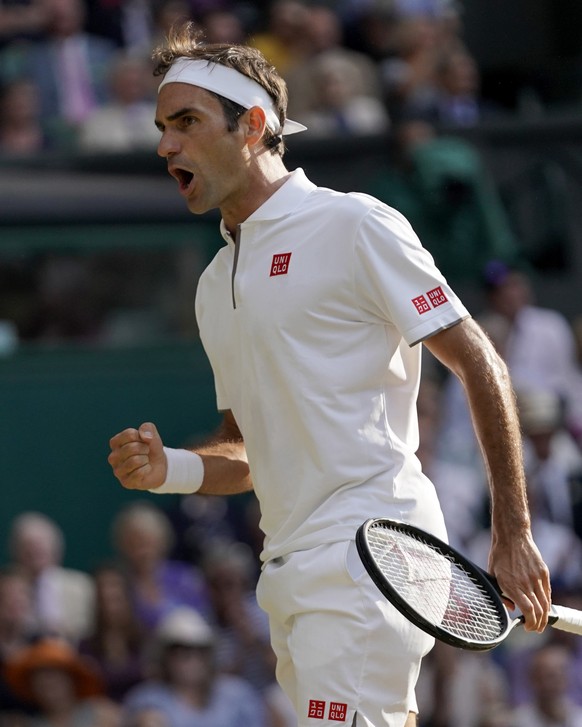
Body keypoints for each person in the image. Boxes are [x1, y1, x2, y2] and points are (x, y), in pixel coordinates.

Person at [108, 22, 551, 727]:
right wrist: (172, 470)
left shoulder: (356, 225)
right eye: (163, 126)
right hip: (289, 571)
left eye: (186, 123)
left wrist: (513, 532)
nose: (166, 145)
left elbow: (479, 362)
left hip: (373, 554)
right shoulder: (214, 280)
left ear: (252, 126)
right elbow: (245, 448)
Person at [122, 605, 267, 727]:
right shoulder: (148, 699)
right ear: (165, 657)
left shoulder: (237, 695)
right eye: (182, 651)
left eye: (200, 650)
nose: (192, 659)